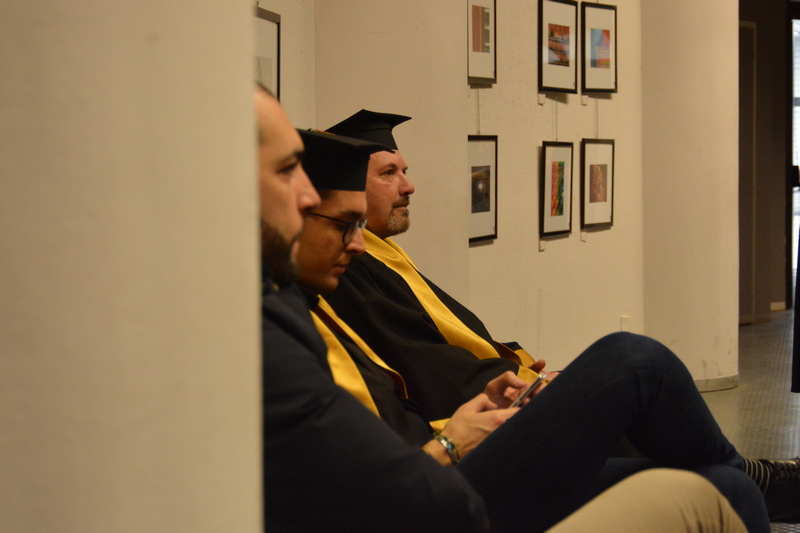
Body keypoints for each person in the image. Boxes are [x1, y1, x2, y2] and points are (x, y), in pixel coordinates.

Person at [256, 85, 756, 533]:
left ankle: (748, 476)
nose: (304, 194)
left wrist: (482, 404)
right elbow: (376, 483)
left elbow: (393, 407)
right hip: (441, 496)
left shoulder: (298, 297)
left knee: (720, 486)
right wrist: (451, 442)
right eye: (286, 172)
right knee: (633, 363)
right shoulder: (267, 327)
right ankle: (753, 475)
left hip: (442, 465)